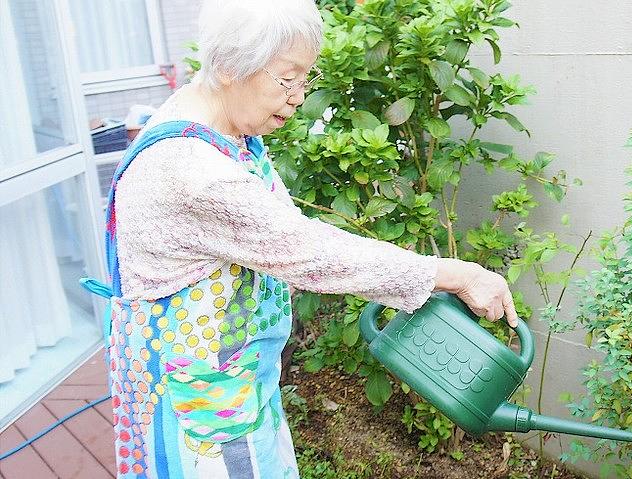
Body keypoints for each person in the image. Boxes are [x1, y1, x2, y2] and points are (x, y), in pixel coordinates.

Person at [84, 0, 518, 477]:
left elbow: (282, 234)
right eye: (286, 79)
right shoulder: (192, 170)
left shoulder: (223, 125)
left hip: (235, 382)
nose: (298, 96)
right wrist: (455, 274)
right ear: (229, 66)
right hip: (200, 408)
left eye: (304, 78)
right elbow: (307, 251)